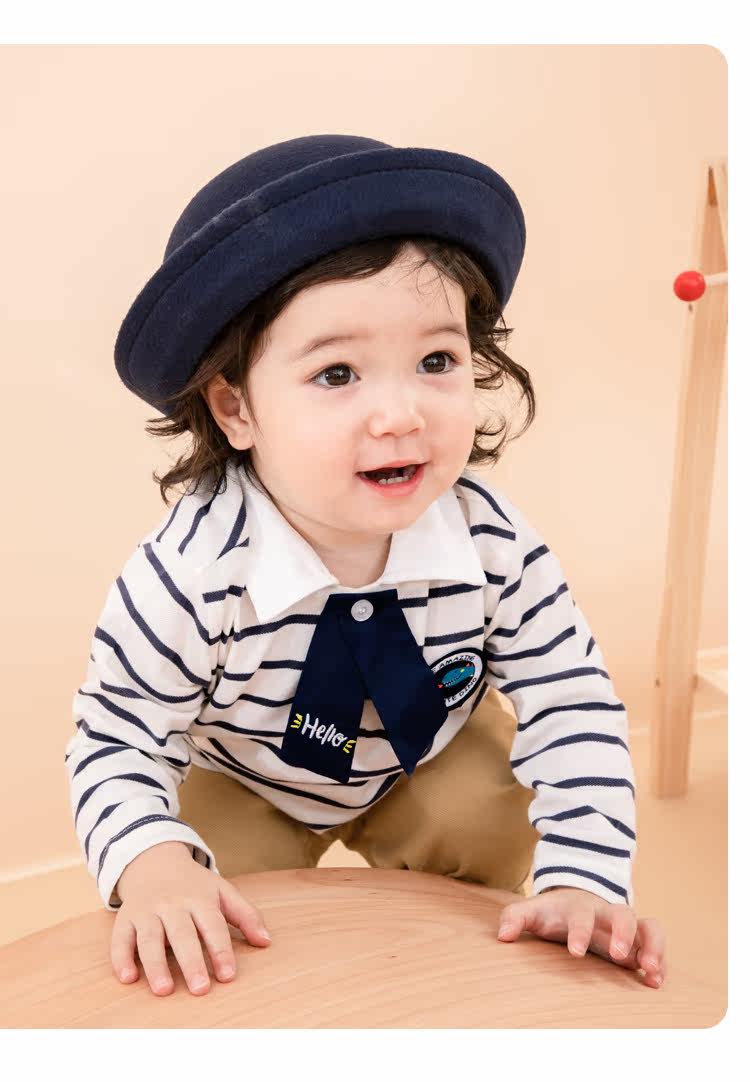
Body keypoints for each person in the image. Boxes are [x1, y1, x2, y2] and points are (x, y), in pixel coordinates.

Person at [64, 133, 666, 999]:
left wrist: (588, 877)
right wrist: (152, 864)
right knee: (201, 902)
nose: (399, 414)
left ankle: (464, 951)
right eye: (338, 373)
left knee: (487, 810)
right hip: (248, 777)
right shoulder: (190, 573)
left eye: (436, 362)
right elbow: (116, 735)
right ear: (235, 409)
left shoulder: (491, 540)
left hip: (423, 758)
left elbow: (570, 696)